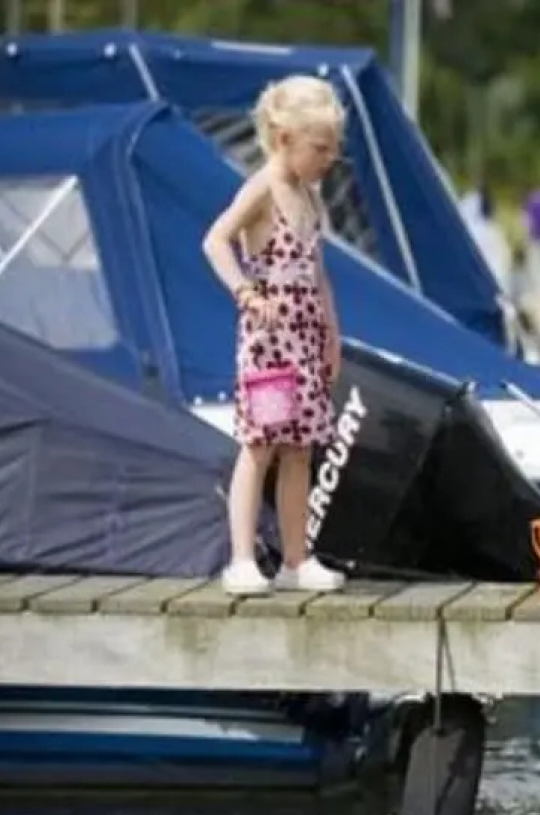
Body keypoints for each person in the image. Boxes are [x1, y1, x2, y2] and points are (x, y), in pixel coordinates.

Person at [201, 75, 349, 597]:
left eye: (333, 148)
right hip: (269, 343)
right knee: (260, 446)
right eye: (320, 147)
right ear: (284, 138)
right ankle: (241, 558)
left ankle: (295, 559)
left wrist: (332, 332)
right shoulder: (262, 189)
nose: (329, 158)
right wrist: (245, 292)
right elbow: (216, 241)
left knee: (300, 450)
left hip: (306, 338)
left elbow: (318, 271)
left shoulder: (310, 196)